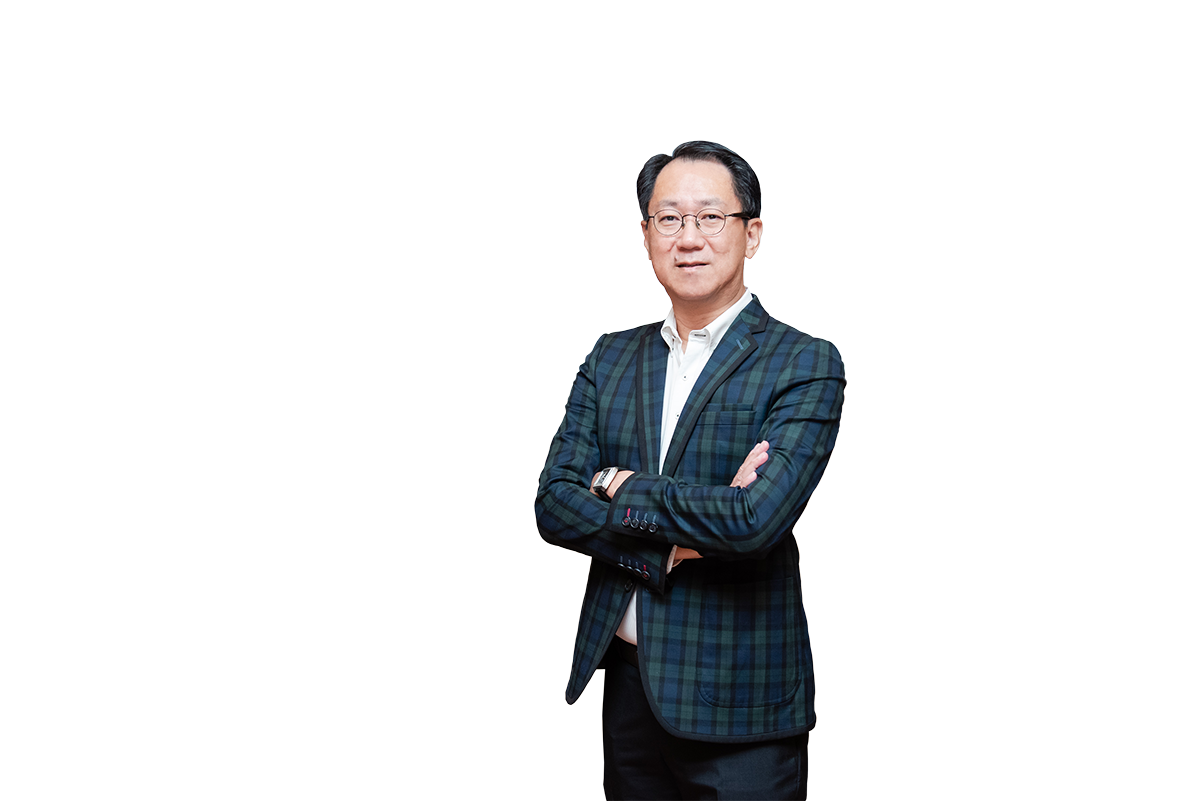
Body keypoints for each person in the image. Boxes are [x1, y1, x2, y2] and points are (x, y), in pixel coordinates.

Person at [534, 140, 845, 800]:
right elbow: (554, 501)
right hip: (629, 687)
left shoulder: (805, 362)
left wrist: (616, 483)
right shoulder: (611, 356)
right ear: (647, 235)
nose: (689, 238)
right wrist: (671, 544)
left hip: (742, 701)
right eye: (669, 218)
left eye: (710, 217)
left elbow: (753, 520)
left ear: (751, 235)